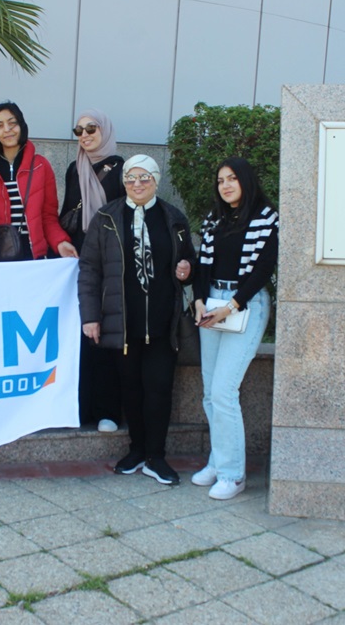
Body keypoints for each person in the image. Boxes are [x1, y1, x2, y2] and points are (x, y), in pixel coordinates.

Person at [78, 154, 195, 485]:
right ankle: (136, 450)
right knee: (130, 389)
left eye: (145, 177)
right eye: (131, 178)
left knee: (158, 390)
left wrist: (187, 269)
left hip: (161, 323)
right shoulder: (106, 218)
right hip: (122, 323)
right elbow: (90, 269)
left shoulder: (173, 217)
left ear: (156, 180)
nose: (137, 184)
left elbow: (189, 260)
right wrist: (90, 316)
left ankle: (156, 457)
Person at [191, 158, 279, 500]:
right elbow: (203, 265)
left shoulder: (266, 218)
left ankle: (232, 474)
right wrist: (199, 300)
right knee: (211, 393)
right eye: (220, 180)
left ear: (245, 180)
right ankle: (218, 459)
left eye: (232, 179)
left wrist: (232, 305)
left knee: (225, 391)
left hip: (246, 304)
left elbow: (262, 270)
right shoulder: (215, 219)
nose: (225, 185)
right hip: (212, 304)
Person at [60, 109, 126, 433]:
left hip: (110, 262)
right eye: (79, 130)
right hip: (80, 261)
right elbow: (65, 214)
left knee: (106, 334)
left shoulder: (122, 169)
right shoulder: (76, 168)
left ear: (106, 130)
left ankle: (109, 411)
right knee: (82, 334)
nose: (85, 135)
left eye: (92, 128)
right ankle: (82, 407)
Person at [0, 102, 77, 260]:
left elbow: (48, 217)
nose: (7, 129)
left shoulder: (41, 166)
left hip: (33, 257)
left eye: (12, 123)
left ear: (21, 126)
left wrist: (60, 242)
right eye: (0, 125)